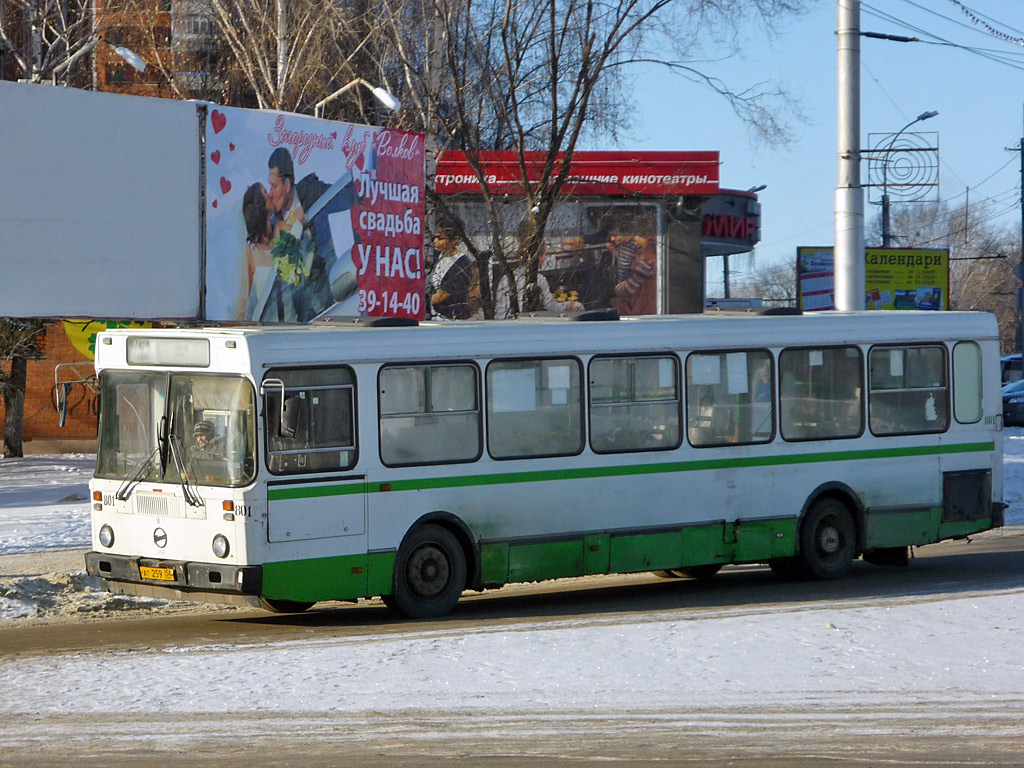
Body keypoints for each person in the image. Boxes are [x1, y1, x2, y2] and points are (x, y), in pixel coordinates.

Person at [427, 217, 480, 320]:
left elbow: (443, 295)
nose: (435, 241)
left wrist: (421, 303)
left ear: (454, 240)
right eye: (435, 238)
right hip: (436, 316)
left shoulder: (461, 263)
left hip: (451, 318)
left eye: (440, 238)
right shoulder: (441, 257)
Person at [238, 183, 276, 321]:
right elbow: (243, 299)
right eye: (265, 192)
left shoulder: (282, 232)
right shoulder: (251, 252)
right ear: (259, 205)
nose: (271, 194)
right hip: (270, 328)